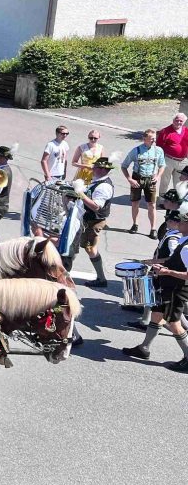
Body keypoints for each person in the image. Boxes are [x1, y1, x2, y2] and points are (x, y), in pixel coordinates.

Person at [123, 208, 188, 372]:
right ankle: (144, 347)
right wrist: (163, 266)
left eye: (182, 221)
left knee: (174, 323)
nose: (178, 223)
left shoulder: (186, 247)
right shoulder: (183, 241)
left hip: (176, 289)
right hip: (168, 285)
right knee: (157, 314)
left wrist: (168, 271)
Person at [127, 205, 185, 331]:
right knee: (149, 294)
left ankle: (147, 321)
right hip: (159, 270)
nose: (167, 222)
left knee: (153, 296)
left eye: (169, 220)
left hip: (161, 271)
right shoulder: (171, 233)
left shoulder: (174, 239)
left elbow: (171, 258)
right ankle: (144, 319)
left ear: (176, 223)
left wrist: (153, 261)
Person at [61, 156, 115, 289]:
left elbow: (96, 206)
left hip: (94, 221)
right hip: (88, 218)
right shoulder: (98, 181)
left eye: (95, 167)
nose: (92, 168)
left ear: (102, 170)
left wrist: (80, 194)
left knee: (89, 248)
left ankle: (101, 278)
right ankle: (66, 271)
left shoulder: (104, 186)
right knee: (77, 244)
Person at [122, 129, 166, 238]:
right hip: (137, 178)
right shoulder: (136, 150)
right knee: (135, 202)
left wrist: (158, 176)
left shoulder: (158, 150)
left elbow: (162, 165)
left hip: (150, 179)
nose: (153, 141)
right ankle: (135, 224)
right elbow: (124, 166)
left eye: (154, 139)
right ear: (144, 139)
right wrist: (129, 179)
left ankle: (153, 229)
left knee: (151, 204)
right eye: (151, 139)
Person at [156, 113, 188, 198]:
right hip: (168, 160)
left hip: (182, 161)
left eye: (181, 121)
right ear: (173, 120)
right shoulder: (165, 131)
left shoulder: (186, 131)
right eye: (176, 120)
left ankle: (176, 200)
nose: (178, 122)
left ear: (184, 122)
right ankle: (162, 200)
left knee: (180, 182)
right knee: (165, 181)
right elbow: (159, 147)